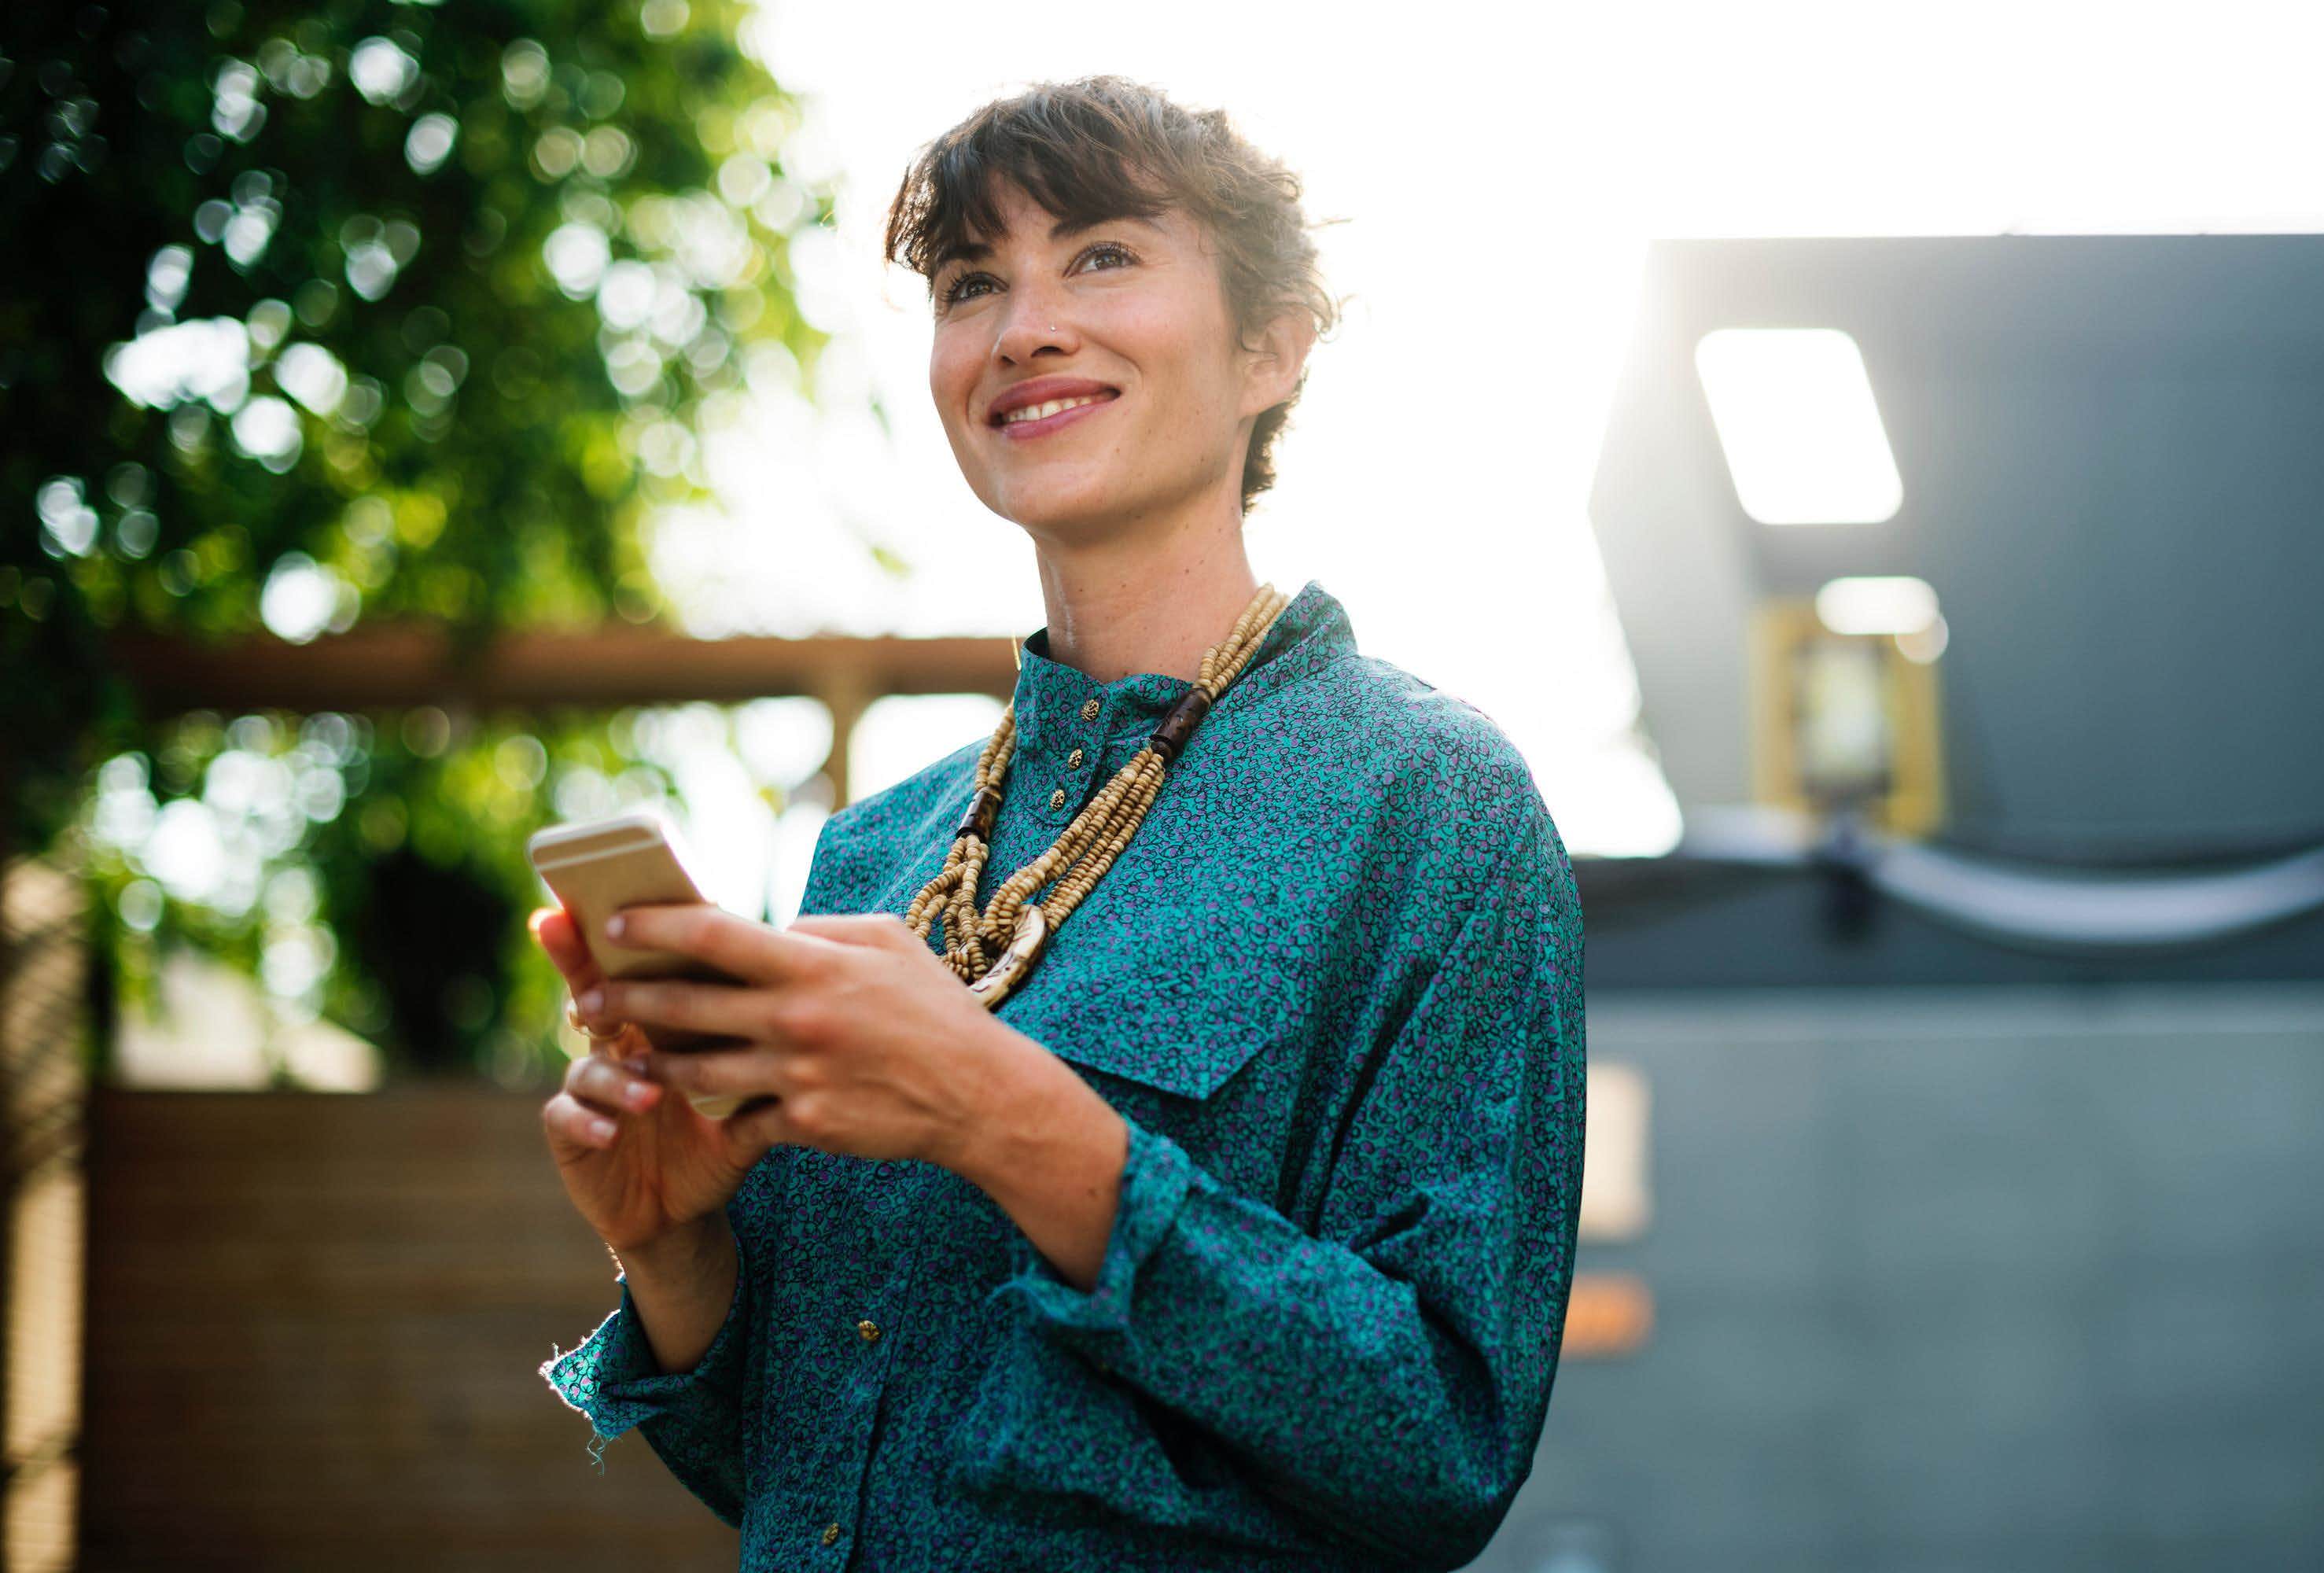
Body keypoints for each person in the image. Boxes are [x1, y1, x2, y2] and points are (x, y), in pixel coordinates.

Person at [534, 74, 1586, 1572]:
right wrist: (671, 1245)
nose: (1023, 325)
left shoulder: (1433, 807)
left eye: (1100, 255)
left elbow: (1440, 1446)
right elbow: (798, 1474)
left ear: (1270, 349)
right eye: (974, 283)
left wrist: (1000, 1115)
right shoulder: (870, 857)